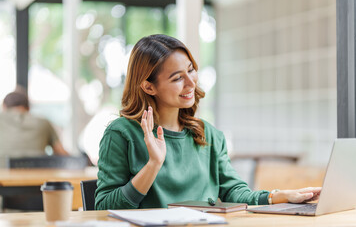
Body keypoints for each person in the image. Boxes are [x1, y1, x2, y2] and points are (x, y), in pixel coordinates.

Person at [95, 34, 321, 210]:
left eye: (190, 70)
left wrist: (281, 196)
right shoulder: (122, 134)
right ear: (148, 86)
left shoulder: (208, 135)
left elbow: (235, 192)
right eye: (177, 78)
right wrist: (153, 165)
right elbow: (104, 207)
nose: (191, 84)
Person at [0, 89, 69, 167]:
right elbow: (61, 153)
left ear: (4, 107)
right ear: (28, 108)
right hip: (37, 176)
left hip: (2, 176)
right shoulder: (43, 122)